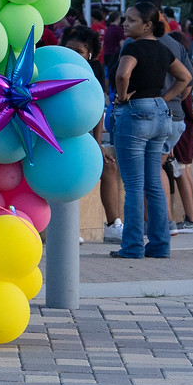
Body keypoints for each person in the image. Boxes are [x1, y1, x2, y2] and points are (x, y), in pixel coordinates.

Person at [111, 0, 193, 259]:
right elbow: (186, 77)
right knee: (154, 185)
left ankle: (132, 247)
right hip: (161, 115)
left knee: (133, 186)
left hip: (135, 113)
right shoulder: (163, 48)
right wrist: (165, 98)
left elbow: (123, 74)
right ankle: (159, 246)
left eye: (131, 20)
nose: (125, 23)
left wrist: (122, 97)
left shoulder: (131, 48)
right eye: (125, 18)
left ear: (146, 25)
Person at [64, 25, 125, 241]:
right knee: (69, 172)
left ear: (90, 54)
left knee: (109, 166)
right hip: (60, 135)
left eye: (79, 51)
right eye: (69, 49)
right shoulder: (58, 69)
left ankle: (113, 225)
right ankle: (68, 227)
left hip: (83, 135)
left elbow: (99, 108)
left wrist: (97, 144)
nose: (73, 55)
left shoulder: (95, 71)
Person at [154, 6, 193, 233]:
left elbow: (186, 82)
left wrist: (165, 99)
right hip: (181, 121)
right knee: (183, 169)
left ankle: (186, 219)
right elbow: (188, 83)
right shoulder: (183, 90)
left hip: (171, 119)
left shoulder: (158, 50)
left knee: (176, 170)